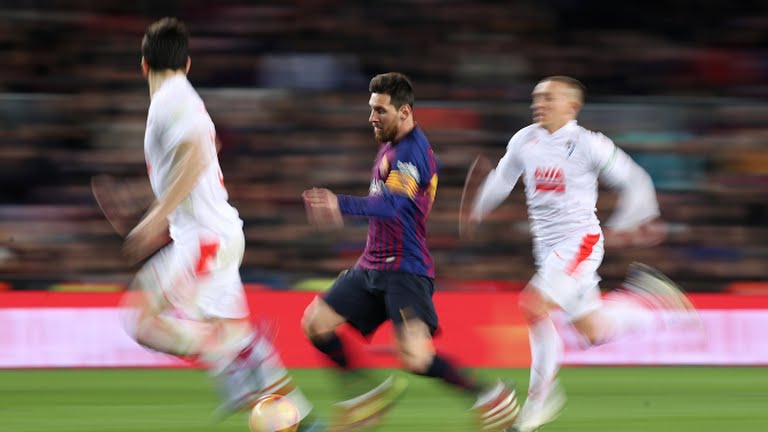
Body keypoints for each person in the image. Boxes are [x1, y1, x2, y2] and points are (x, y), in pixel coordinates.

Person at [119, 17, 320, 430]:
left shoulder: (170, 99)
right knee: (232, 348)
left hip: (204, 242)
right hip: (214, 235)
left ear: (143, 65)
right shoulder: (182, 99)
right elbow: (200, 151)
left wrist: (154, 218)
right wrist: (163, 202)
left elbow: (194, 155)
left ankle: (235, 350)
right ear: (187, 63)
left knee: (143, 322)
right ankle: (302, 418)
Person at [466, 76, 695, 432]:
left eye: (549, 98)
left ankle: (542, 398)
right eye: (536, 98)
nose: (539, 104)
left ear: (571, 106)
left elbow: (634, 179)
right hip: (547, 249)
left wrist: (629, 220)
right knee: (592, 331)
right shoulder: (525, 139)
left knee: (533, 305)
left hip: (579, 243)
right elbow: (503, 176)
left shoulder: (589, 144)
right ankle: (651, 305)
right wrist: (478, 207)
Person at [301, 72, 520, 432]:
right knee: (316, 323)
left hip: (405, 269)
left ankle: (489, 395)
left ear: (404, 112)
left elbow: (393, 205)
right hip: (372, 266)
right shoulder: (391, 146)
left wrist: (340, 204)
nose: (372, 117)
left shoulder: (411, 152)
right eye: (371, 109)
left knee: (417, 359)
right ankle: (365, 396)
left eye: (380, 110)